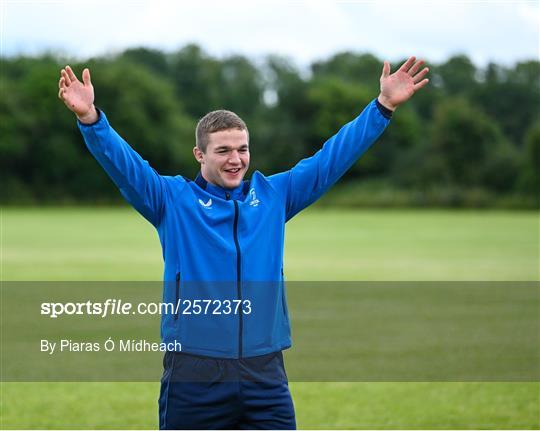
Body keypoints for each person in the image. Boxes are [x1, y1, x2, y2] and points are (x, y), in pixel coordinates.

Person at [58, 56, 429, 429]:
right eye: (223, 151)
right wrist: (91, 119)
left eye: (242, 149)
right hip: (194, 371)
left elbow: (331, 158)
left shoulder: (273, 196)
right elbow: (125, 166)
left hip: (264, 371)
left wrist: (382, 107)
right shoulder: (171, 200)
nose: (236, 159)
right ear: (199, 155)